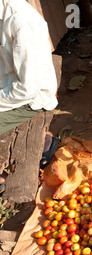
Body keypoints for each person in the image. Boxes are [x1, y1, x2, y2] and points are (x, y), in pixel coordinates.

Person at [0, 0, 58, 189]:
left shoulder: (22, 21)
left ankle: (3, 177)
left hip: (30, 99)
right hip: (9, 88)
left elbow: (27, 89)